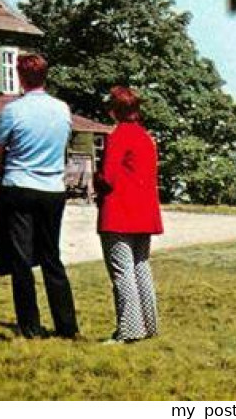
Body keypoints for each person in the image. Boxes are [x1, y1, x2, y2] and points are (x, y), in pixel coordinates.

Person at [0, 53, 79, 339]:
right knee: (52, 257)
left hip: (19, 186)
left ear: (20, 77)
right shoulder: (62, 109)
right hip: (52, 188)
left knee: (21, 260)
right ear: (45, 76)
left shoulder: (12, 112)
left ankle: (30, 326)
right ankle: (67, 326)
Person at [95, 86, 163, 344]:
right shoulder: (146, 137)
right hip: (144, 214)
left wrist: (96, 180)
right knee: (141, 267)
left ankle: (129, 329)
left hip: (119, 213)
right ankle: (148, 324)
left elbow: (108, 178)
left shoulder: (119, 136)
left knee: (122, 272)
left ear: (115, 111)